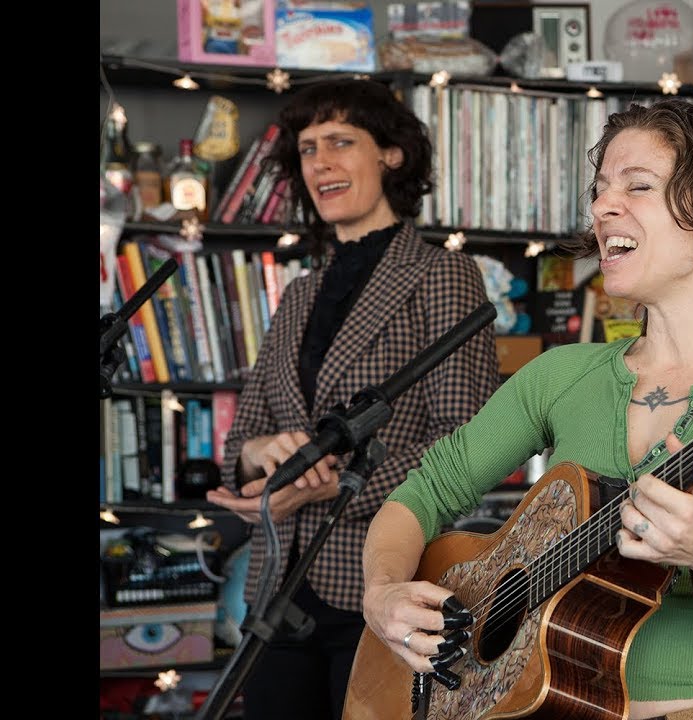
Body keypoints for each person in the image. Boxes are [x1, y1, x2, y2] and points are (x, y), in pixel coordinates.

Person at [357, 100, 693, 720]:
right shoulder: (563, 374)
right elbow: (422, 493)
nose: (601, 208)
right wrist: (381, 593)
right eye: (600, 190)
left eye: (638, 186)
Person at [206, 78, 500, 720]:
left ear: (391, 155)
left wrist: (325, 486)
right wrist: (264, 453)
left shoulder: (442, 275)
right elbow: (240, 442)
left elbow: (465, 445)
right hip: (278, 590)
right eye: (309, 149)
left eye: (341, 142)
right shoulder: (298, 295)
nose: (321, 163)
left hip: (384, 584)